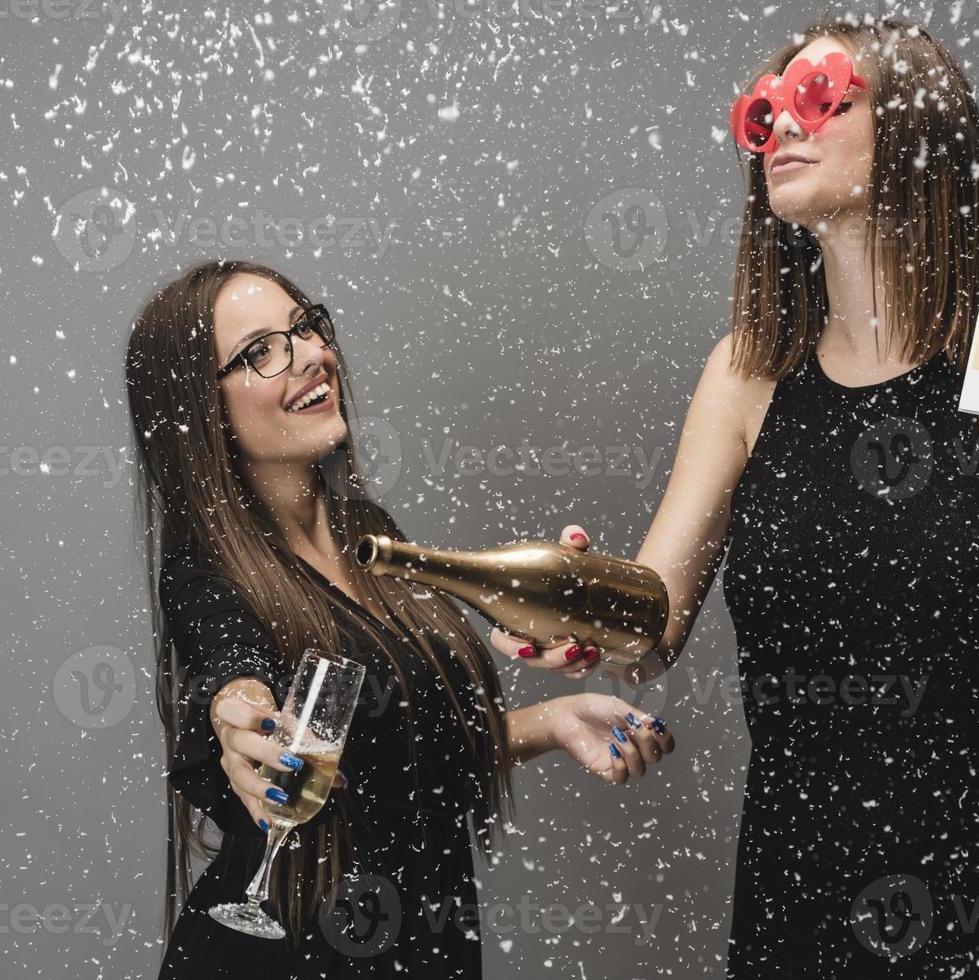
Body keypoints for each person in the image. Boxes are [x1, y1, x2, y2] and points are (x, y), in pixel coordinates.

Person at [490, 16, 979, 978]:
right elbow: (648, 637)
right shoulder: (744, 376)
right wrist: (578, 610)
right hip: (798, 889)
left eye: (820, 97)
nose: (781, 125)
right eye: (763, 111)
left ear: (918, 130)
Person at [126, 259, 674, 978]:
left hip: (422, 947)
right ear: (202, 408)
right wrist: (242, 719)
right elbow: (232, 674)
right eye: (261, 351)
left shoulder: (369, 534)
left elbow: (394, 763)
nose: (313, 355)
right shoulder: (205, 573)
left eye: (304, 328)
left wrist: (550, 722)